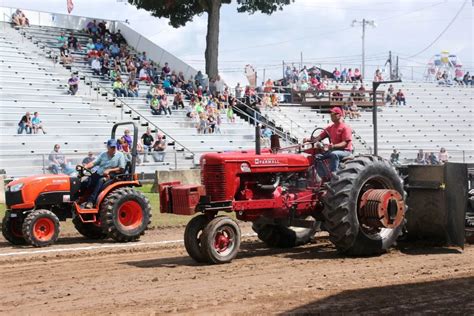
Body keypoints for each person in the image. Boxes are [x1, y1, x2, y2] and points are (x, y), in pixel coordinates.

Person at [303, 107, 352, 179]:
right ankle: (324, 177)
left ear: (338, 115)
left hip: (345, 151)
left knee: (334, 154)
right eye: (331, 115)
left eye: (332, 114)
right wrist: (308, 139)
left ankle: (334, 173)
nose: (331, 116)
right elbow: (318, 138)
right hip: (333, 149)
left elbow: (345, 143)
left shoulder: (345, 127)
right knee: (317, 157)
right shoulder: (330, 127)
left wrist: (333, 146)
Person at [82, 139, 126, 209]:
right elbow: (94, 163)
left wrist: (110, 170)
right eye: (112, 147)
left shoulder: (120, 155)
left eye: (114, 147)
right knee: (86, 181)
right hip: (99, 173)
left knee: (100, 181)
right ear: (108, 147)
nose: (114, 149)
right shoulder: (103, 154)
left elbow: (122, 168)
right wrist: (85, 167)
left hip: (112, 176)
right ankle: (80, 199)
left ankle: (91, 202)